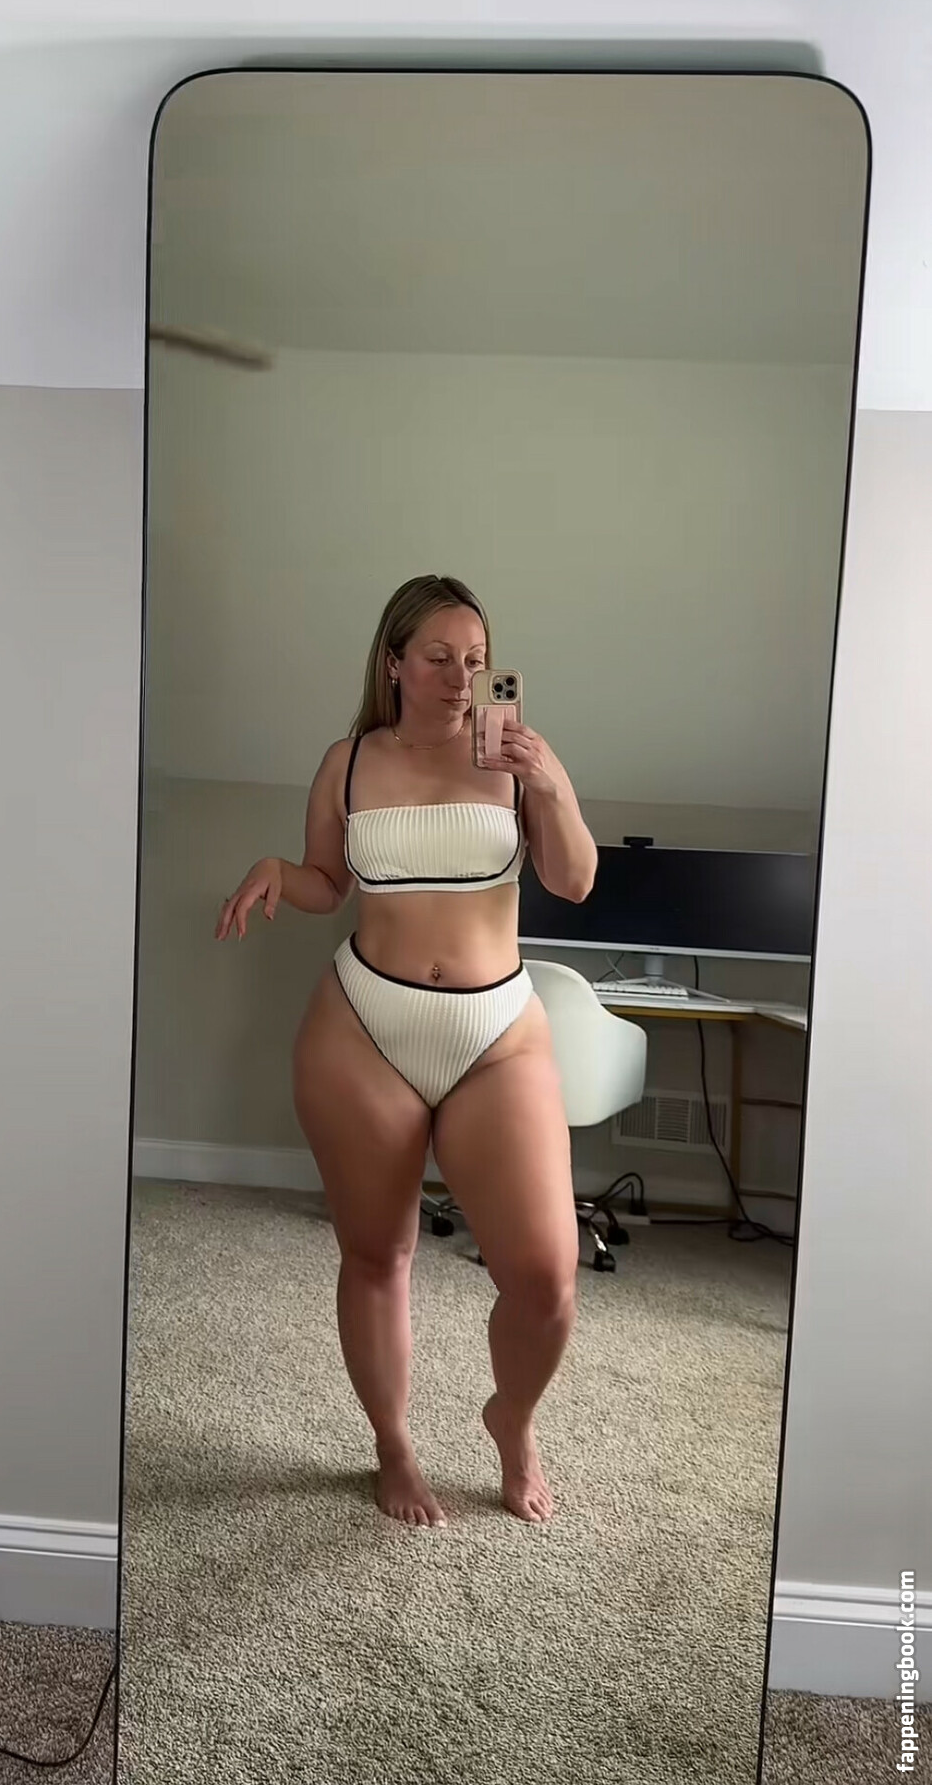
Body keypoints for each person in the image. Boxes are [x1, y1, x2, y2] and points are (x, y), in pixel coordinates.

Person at [215, 575, 598, 1527]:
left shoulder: (518, 760)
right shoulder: (347, 761)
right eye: (438, 658)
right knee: (379, 1254)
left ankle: (512, 1420)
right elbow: (326, 882)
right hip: (363, 1027)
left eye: (477, 660)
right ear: (394, 663)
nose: (462, 678)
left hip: (495, 1035)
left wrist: (549, 786)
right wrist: (276, 871)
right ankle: (393, 1446)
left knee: (546, 1279)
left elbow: (574, 880)